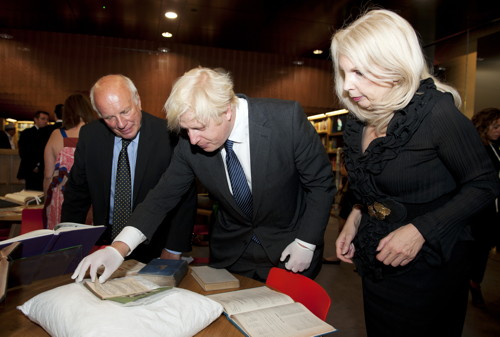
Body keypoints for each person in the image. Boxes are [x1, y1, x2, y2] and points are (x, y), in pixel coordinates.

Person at [71, 66, 335, 284]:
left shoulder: (285, 120)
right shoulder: (189, 141)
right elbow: (161, 198)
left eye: (198, 128)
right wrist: (118, 250)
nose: (192, 140)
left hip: (291, 248)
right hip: (232, 253)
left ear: (227, 111)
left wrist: (306, 241)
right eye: (186, 130)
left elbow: (321, 183)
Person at [330, 9, 499, 337]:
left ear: (394, 67)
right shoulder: (357, 120)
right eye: (345, 72)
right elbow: (371, 184)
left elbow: (484, 183)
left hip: (430, 264)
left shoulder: (436, 114)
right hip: (378, 256)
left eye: (360, 73)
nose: (348, 86)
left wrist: (419, 231)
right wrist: (355, 217)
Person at [61, 74, 197, 263]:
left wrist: (173, 249)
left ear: (138, 101)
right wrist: (69, 243)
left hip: (155, 242)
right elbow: (77, 194)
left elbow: (184, 198)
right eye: (109, 117)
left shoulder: (169, 135)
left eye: (125, 111)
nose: (121, 124)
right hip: (105, 241)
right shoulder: (90, 136)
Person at [43, 94, 98, 229]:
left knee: (63, 242)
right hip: (92, 198)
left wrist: (46, 200)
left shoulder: (57, 135)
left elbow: (48, 176)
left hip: (62, 199)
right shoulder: (98, 135)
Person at [468, 107, 500, 306]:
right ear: (484, 126)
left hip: (496, 210)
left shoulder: (497, 147)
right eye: (495, 126)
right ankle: (473, 283)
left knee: (484, 249)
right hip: (481, 211)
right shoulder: (476, 148)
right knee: (478, 250)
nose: (499, 130)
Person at [17, 110, 51, 191]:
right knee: (31, 192)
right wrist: (34, 166)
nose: (45, 121)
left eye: (47, 119)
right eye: (43, 119)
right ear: (35, 119)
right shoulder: (26, 133)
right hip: (30, 169)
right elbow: (23, 152)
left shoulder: (49, 133)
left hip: (44, 169)